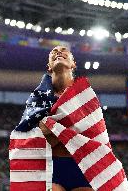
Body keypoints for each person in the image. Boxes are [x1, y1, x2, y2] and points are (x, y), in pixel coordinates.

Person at [39, 46, 94, 191]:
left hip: (84, 168)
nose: (58, 52)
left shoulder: (86, 96)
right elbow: (41, 140)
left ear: (73, 63)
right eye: (53, 52)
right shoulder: (39, 99)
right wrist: (69, 128)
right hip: (52, 168)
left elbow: (92, 136)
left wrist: (55, 129)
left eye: (63, 50)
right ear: (49, 67)